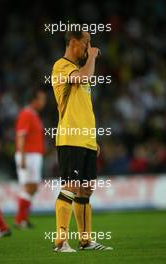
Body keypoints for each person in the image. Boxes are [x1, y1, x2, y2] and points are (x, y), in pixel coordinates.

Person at [51, 30, 110, 252]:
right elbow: (85, 77)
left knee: (86, 189)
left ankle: (85, 241)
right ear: (73, 42)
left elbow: (83, 107)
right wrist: (93, 56)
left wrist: (92, 139)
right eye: (86, 43)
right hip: (70, 137)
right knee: (71, 186)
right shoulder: (61, 66)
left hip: (85, 139)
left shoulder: (78, 69)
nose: (89, 47)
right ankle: (60, 241)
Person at [14, 88, 46, 228]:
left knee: (32, 187)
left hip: (34, 155)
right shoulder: (26, 114)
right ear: (34, 100)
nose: (43, 102)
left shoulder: (34, 115)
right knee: (28, 187)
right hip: (28, 155)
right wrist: (22, 157)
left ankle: (23, 219)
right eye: (41, 99)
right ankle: (20, 220)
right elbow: (21, 136)